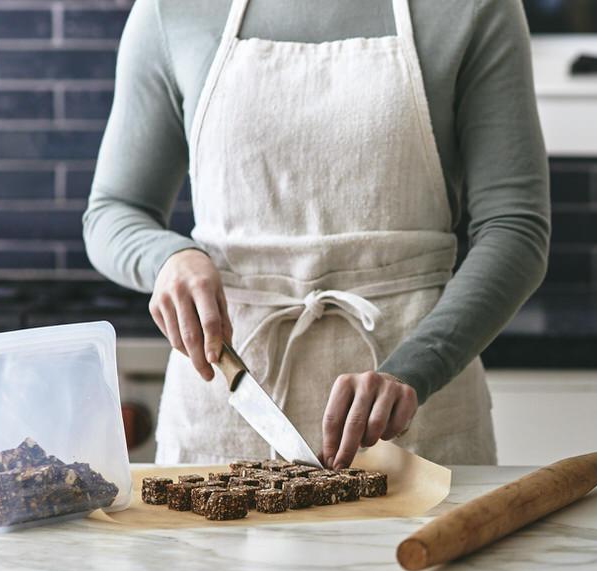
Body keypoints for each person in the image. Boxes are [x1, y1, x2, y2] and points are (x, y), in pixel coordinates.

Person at [83, 0, 550, 468]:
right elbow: (114, 211)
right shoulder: (171, 9)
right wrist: (169, 259)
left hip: (415, 420)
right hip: (225, 417)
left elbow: (515, 228)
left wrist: (412, 371)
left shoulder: (474, 8)